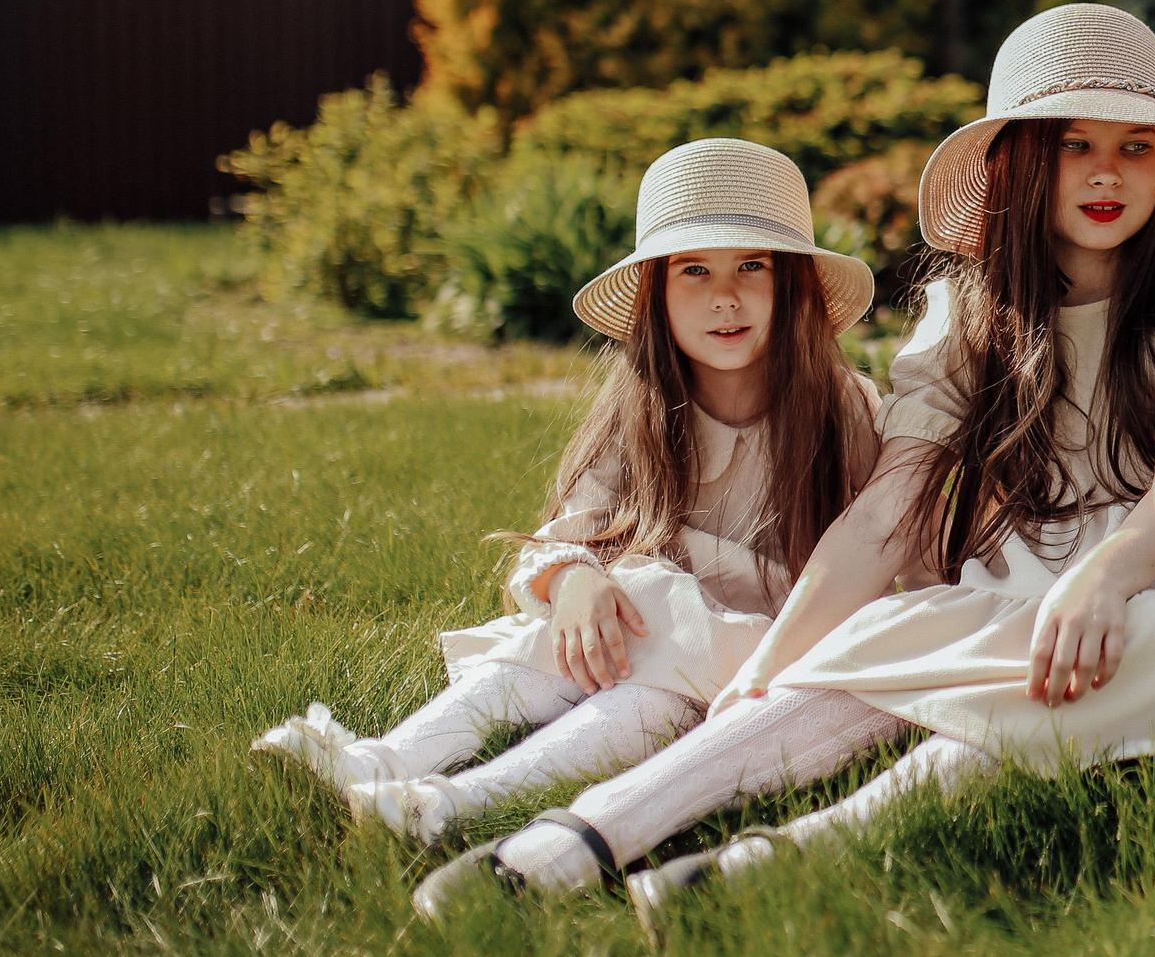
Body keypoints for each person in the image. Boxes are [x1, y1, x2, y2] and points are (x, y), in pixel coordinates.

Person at [418, 5, 1155, 920]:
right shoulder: (967, 310)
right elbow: (887, 513)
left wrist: (1107, 578)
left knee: (1049, 687)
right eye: (1072, 145)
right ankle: (582, 834)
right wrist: (771, 669)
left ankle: (757, 869)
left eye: (1136, 147)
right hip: (1025, 574)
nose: (1107, 173)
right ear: (1015, 165)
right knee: (867, 657)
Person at [253, 140, 881, 845]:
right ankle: (379, 758)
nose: (724, 295)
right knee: (552, 643)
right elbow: (575, 528)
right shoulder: (640, 406)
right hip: (634, 621)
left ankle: (450, 802)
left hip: (745, 646)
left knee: (643, 694)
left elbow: (878, 552)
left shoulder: (843, 409)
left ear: (794, 282)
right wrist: (577, 580)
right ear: (657, 292)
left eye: (753, 266)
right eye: (694, 270)